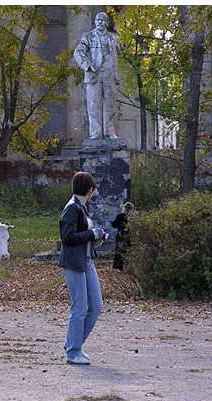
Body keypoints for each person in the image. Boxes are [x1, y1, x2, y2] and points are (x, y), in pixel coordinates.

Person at [58, 171, 106, 365]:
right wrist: (91, 234)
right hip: (74, 263)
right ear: (90, 190)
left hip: (86, 261)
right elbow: (67, 237)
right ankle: (73, 351)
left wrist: (95, 238)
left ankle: (73, 342)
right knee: (80, 307)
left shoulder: (81, 208)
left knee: (95, 306)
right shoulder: (72, 208)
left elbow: (81, 235)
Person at [74, 12, 122, 140]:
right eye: (98, 20)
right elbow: (78, 52)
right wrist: (87, 65)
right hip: (94, 74)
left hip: (109, 75)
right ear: (95, 22)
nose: (100, 22)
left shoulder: (114, 38)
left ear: (107, 23)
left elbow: (119, 50)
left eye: (103, 20)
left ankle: (109, 132)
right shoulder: (88, 37)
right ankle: (95, 133)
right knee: (93, 106)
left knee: (110, 106)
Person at [111, 201, 135, 270]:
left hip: (121, 236)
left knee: (119, 252)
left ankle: (118, 267)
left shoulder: (120, 216)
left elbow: (113, 225)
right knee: (130, 252)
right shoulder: (133, 218)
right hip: (130, 237)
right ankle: (129, 267)